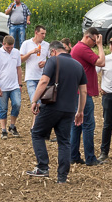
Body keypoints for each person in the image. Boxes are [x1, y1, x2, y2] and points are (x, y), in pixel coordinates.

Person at [26, 41, 87, 183]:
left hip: (51, 107)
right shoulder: (78, 65)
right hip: (69, 109)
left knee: (37, 133)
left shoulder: (53, 61)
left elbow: (43, 82)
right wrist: (80, 111)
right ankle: (62, 177)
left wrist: (34, 100)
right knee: (64, 141)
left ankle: (43, 167)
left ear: (53, 51)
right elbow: (83, 91)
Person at [70, 27, 106, 166]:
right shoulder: (83, 49)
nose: (95, 43)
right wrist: (100, 45)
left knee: (76, 125)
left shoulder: (78, 48)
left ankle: (73, 156)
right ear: (87, 37)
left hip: (76, 92)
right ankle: (90, 158)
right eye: (94, 40)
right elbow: (101, 62)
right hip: (83, 93)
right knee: (88, 125)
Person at [0, 35, 23, 140]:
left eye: (11, 47)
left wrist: (20, 83)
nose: (9, 49)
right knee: (3, 108)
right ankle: (3, 129)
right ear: (3, 44)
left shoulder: (16, 52)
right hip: (3, 86)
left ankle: (12, 126)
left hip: (14, 85)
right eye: (8, 47)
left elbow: (18, 68)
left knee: (17, 104)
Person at [20, 25, 49, 128]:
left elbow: (52, 60)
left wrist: (45, 62)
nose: (44, 36)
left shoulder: (47, 45)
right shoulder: (26, 44)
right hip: (31, 77)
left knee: (40, 103)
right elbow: (20, 60)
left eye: (45, 34)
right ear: (36, 33)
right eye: (42, 33)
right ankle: (36, 126)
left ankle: (35, 126)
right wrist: (31, 52)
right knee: (35, 101)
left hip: (43, 77)